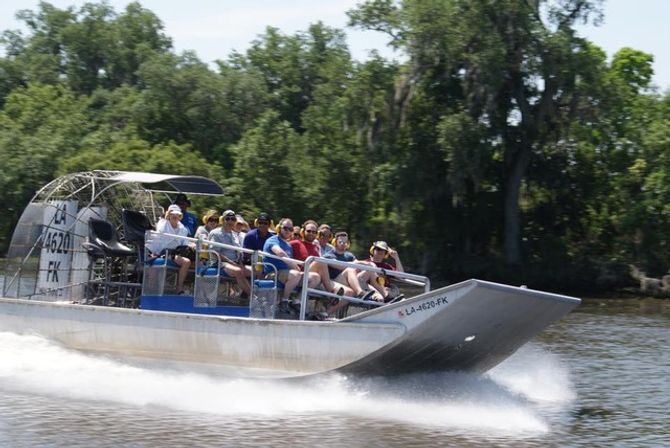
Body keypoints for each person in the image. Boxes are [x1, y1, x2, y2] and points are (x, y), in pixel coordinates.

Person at [263, 218, 319, 310]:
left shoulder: (288, 245)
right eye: (285, 228)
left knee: (315, 277)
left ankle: (297, 301)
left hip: (288, 274)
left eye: (290, 229)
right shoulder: (273, 240)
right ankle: (284, 301)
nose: (288, 231)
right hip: (274, 272)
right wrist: (295, 266)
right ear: (279, 228)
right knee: (295, 274)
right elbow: (280, 253)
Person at [323, 231, 381, 314]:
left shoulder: (349, 255)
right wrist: (359, 264)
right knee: (350, 270)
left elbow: (358, 264)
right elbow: (343, 266)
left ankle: (384, 296)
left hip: (350, 282)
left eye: (345, 242)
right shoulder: (328, 255)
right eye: (341, 242)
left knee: (369, 271)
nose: (343, 244)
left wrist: (370, 264)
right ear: (335, 242)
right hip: (335, 283)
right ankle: (360, 292)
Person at [146, 204, 193, 295]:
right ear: (169, 215)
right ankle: (150, 290)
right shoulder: (162, 223)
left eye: (177, 215)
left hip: (174, 254)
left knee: (187, 262)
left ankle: (179, 288)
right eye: (173, 214)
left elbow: (184, 243)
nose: (175, 216)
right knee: (153, 262)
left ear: (180, 216)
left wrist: (191, 246)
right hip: (160, 252)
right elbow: (160, 235)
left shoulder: (183, 229)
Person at [289, 220, 342, 295]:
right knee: (321, 261)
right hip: (300, 274)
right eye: (309, 231)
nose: (311, 233)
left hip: (314, 276)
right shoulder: (296, 243)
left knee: (347, 291)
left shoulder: (316, 247)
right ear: (303, 231)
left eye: (314, 232)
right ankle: (331, 292)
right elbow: (285, 254)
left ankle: (297, 300)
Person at [208, 209, 252, 297]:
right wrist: (230, 262)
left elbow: (239, 251)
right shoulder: (215, 233)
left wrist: (239, 262)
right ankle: (253, 297)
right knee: (238, 271)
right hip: (219, 263)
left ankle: (244, 295)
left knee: (255, 271)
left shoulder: (235, 234)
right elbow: (214, 252)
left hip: (235, 262)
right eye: (227, 219)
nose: (230, 221)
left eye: (233, 219)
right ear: (223, 220)